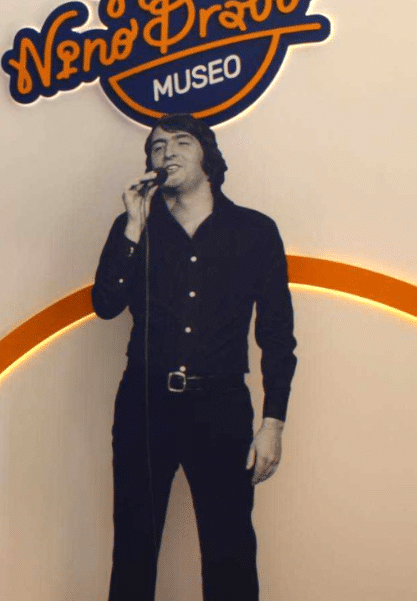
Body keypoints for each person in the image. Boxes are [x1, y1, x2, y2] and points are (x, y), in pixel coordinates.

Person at [92, 113, 296, 601]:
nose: (168, 152)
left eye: (182, 142)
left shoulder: (255, 231)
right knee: (134, 548)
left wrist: (273, 422)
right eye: (157, 147)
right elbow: (105, 304)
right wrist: (133, 227)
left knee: (230, 552)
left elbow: (277, 334)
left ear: (208, 156)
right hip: (144, 406)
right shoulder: (133, 227)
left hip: (221, 406)